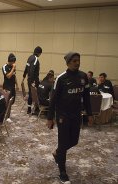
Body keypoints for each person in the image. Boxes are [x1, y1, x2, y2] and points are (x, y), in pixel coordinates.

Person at [47, 52, 93, 183]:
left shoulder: (83, 76)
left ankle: (57, 153)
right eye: (74, 61)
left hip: (76, 115)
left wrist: (89, 114)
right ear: (67, 62)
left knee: (74, 141)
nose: (77, 62)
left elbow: (87, 98)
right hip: (63, 116)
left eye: (78, 60)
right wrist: (50, 118)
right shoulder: (61, 78)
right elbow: (53, 100)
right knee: (63, 143)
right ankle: (62, 172)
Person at [23, 46, 42, 114]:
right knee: (35, 94)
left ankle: (30, 109)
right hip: (33, 80)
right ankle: (34, 108)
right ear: (39, 53)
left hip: (29, 79)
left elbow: (26, 67)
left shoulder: (30, 57)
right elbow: (32, 70)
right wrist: (32, 81)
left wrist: (24, 75)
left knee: (31, 93)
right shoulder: (36, 59)